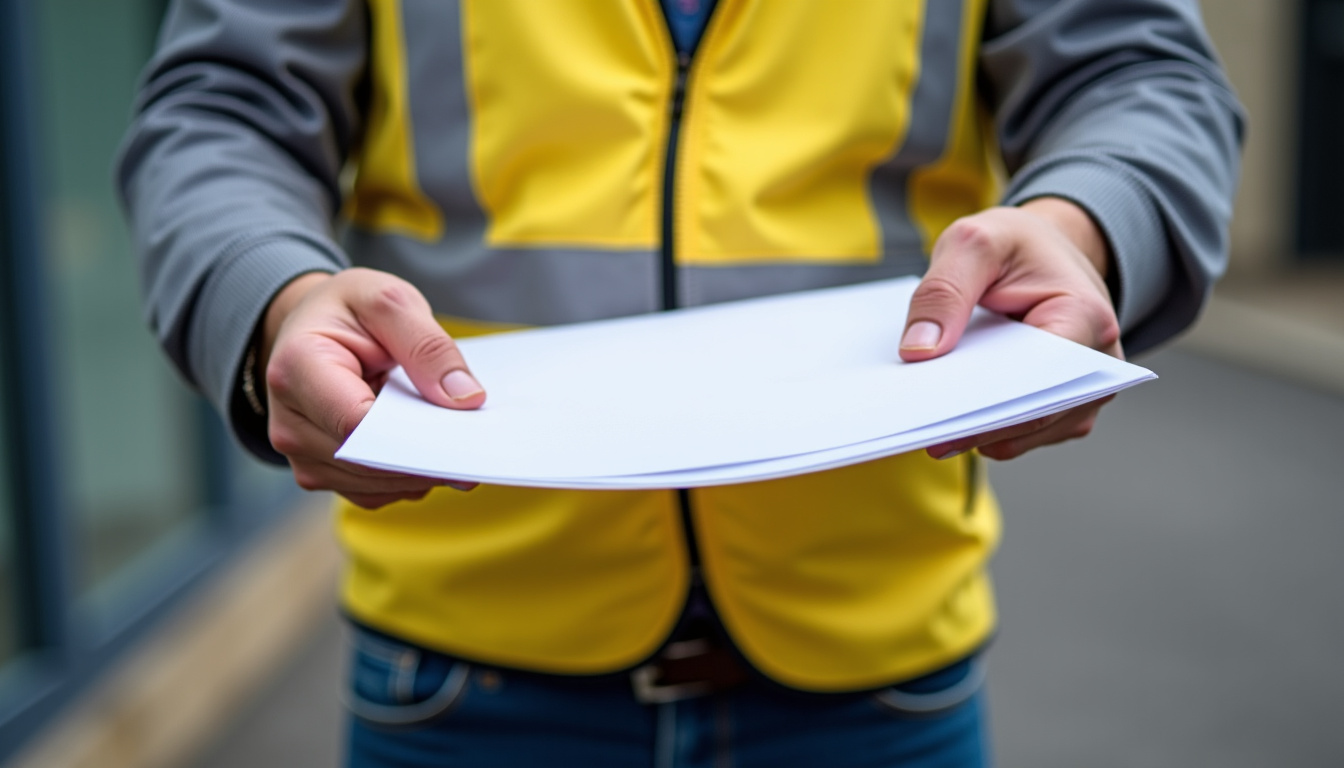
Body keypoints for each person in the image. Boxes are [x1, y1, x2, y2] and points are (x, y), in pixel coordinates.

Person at [118, 1, 1243, 765]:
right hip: (465, 676)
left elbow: (1138, 72)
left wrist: (1089, 221)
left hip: (877, 669)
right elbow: (222, 111)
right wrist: (271, 294)